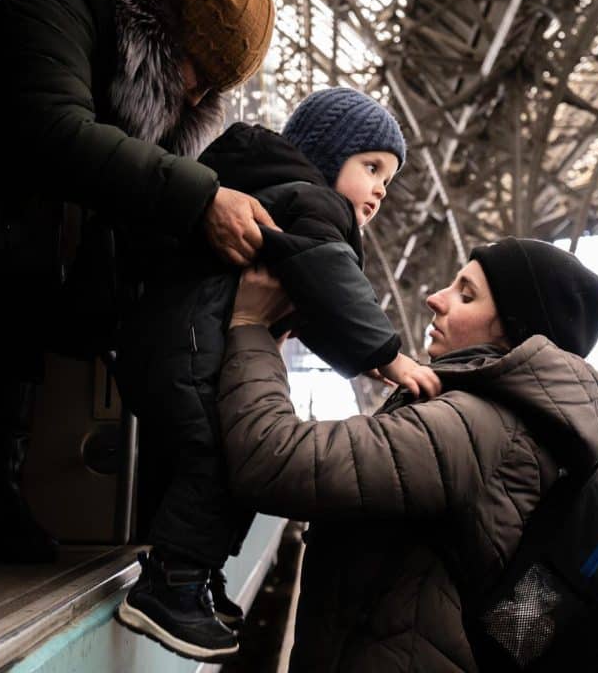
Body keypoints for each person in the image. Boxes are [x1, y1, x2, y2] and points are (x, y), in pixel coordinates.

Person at [0, 0, 275, 574]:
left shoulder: (147, 88)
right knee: (11, 290)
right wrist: (199, 196)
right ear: (168, 27)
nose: (196, 94)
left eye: (211, 89)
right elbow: (53, 127)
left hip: (20, 256)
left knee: (24, 300)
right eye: (197, 71)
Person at [114, 87, 440, 662]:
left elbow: (311, 305)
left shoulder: (272, 195)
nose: (381, 187)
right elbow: (334, 286)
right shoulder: (314, 204)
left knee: (203, 459)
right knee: (221, 459)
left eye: (387, 177)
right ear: (324, 154)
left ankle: (195, 575)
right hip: (196, 351)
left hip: (168, 348)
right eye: (370, 167)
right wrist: (388, 355)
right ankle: (172, 585)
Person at [217, 236, 598, 672]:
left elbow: (271, 460)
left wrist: (250, 325)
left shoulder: (476, 427)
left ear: (515, 331)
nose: (434, 298)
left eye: (466, 295)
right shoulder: (519, 431)